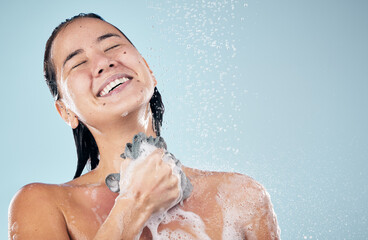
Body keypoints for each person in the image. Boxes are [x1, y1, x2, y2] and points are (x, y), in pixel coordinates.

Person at [8, 13, 280, 239]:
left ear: (148, 70)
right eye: (78, 62)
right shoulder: (44, 204)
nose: (104, 62)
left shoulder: (241, 197)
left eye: (112, 46)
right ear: (66, 111)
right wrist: (135, 204)